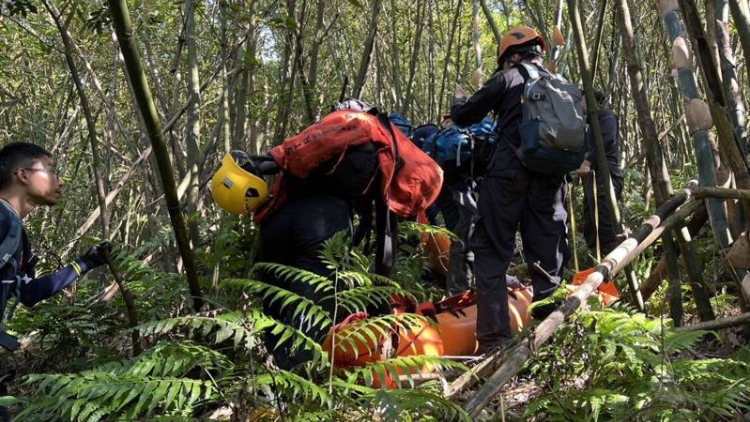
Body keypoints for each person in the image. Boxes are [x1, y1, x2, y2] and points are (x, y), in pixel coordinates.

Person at [450, 26, 570, 353]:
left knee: (490, 254)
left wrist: (458, 100)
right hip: (550, 180)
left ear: (511, 57)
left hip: (507, 177)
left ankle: (495, 342)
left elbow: (463, 117)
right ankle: (551, 337)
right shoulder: (560, 84)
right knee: (548, 257)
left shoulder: (508, 78)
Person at [0, 142, 110, 421]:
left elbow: (27, 293)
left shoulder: (16, 232)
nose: (59, 182)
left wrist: (84, 263)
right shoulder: (2, 219)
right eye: (50, 171)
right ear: (23, 175)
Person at [575, 90, 624, 257]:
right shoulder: (588, 125)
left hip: (606, 174)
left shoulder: (606, 117)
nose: (580, 106)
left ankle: (612, 262)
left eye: (582, 101)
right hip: (593, 177)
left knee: (605, 221)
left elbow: (607, 140)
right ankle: (597, 259)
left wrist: (588, 161)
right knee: (591, 221)